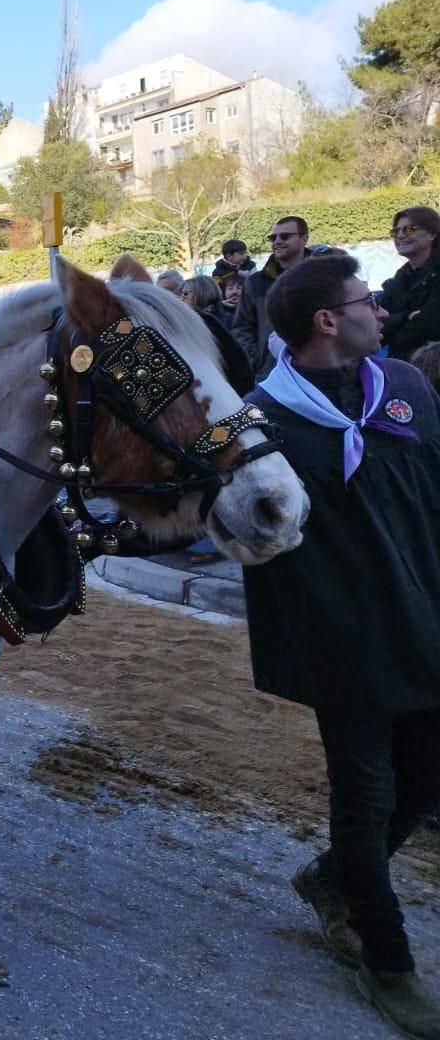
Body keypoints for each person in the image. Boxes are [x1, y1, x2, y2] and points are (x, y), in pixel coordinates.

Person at [242, 253, 440, 1038]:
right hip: (344, 637)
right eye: (368, 300)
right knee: (368, 797)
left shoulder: (407, 389)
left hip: (425, 618)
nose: (383, 310)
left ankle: (331, 882)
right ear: (329, 321)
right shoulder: (260, 421)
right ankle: (388, 961)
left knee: (426, 782)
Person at [234, 216, 310, 374]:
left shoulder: (327, 277)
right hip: (272, 375)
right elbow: (242, 328)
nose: (277, 241)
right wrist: (257, 361)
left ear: (304, 239)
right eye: (273, 237)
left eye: (285, 236)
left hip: (322, 373)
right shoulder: (255, 283)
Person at [380, 206, 440, 362]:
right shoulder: (398, 279)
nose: (399, 236)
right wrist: (406, 317)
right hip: (402, 363)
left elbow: (430, 325)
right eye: (396, 231)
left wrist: (395, 323)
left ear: (432, 233)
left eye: (408, 229)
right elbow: (378, 325)